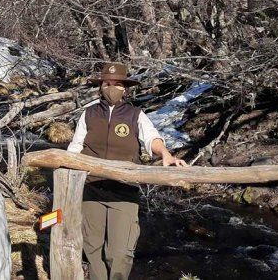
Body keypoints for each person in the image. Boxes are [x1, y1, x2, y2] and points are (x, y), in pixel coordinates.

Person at [67, 62, 188, 280]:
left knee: (119, 253)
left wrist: (165, 154)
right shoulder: (89, 114)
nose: (111, 87)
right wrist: (66, 169)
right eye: (107, 83)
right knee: (92, 247)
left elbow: (151, 138)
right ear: (101, 86)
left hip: (123, 191)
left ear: (125, 88)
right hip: (91, 189)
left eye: (117, 84)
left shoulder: (135, 115)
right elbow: (75, 147)